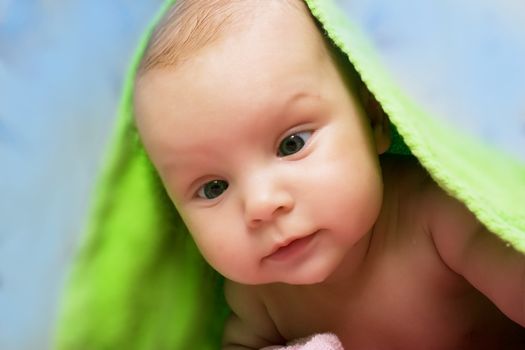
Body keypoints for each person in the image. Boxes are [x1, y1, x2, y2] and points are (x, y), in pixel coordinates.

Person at [132, 0, 525, 348]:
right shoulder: (259, 297)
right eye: (213, 187)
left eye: (292, 144)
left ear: (373, 119)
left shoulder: (437, 216)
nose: (261, 205)